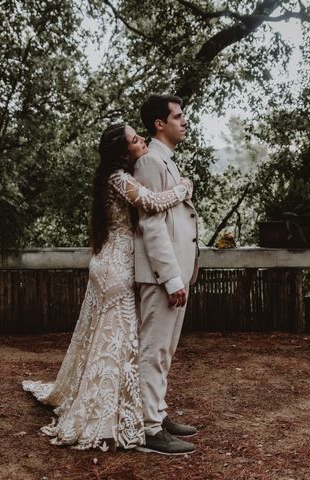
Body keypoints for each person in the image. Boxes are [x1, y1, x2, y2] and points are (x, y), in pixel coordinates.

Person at [22, 123, 193, 451]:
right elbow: (152, 202)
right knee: (117, 338)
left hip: (114, 259)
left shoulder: (114, 176)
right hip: (116, 263)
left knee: (119, 337)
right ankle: (111, 412)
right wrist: (184, 188)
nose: (141, 140)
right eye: (135, 139)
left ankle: (147, 408)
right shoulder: (118, 178)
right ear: (121, 151)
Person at [133, 95, 200, 455]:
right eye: (177, 116)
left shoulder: (165, 161)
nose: (183, 121)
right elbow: (152, 225)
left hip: (174, 273)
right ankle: (149, 429)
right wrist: (171, 278)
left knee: (166, 350)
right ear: (159, 123)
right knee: (154, 349)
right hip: (161, 275)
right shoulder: (149, 162)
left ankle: (157, 413)